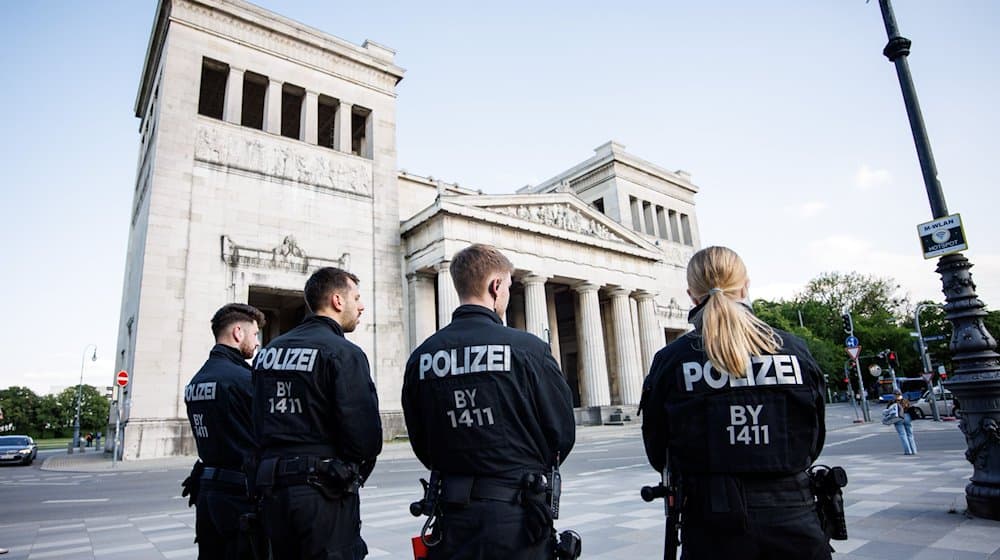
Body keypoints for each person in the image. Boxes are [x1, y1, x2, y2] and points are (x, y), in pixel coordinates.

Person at [640, 246, 830, 560]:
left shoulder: (672, 361)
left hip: (710, 522)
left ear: (692, 295)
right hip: (794, 515)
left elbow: (657, 449)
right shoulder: (795, 351)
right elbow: (813, 439)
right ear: (744, 286)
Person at [401, 244, 576, 560]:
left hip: (450, 519)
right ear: (496, 286)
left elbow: (421, 441)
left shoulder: (422, 358)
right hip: (518, 520)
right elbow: (561, 433)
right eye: (508, 286)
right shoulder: (529, 350)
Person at [252, 267, 382, 560]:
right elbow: (364, 437)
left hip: (272, 491)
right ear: (337, 300)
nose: (361, 306)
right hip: (323, 492)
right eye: (357, 298)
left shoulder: (269, 352)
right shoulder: (343, 352)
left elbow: (257, 422)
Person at [183, 303, 266, 560]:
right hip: (240, 496)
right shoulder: (245, 379)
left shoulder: (196, 380)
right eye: (255, 335)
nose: (257, 343)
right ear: (238, 333)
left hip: (208, 493)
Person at [889, 390, 917, 455]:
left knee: (902, 435)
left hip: (898, 418)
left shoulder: (892, 402)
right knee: (910, 434)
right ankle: (914, 450)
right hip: (907, 417)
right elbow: (909, 407)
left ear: (894, 395)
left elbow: (888, 411)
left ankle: (908, 451)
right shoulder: (905, 400)